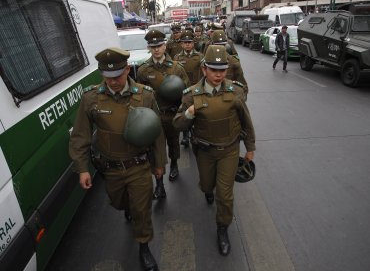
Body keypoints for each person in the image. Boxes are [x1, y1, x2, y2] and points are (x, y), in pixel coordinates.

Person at [69, 47, 167, 271]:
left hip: (139, 165)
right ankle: (127, 208)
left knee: (141, 209)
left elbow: (157, 134)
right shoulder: (91, 98)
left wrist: (159, 164)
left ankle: (144, 246)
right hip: (111, 168)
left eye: (118, 75)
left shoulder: (145, 95)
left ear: (127, 70)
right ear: (102, 74)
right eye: (108, 76)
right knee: (119, 202)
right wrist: (82, 168)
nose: (113, 81)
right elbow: (80, 135)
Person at [173, 45, 256, 256]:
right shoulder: (191, 95)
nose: (219, 74)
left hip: (229, 150)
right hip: (205, 152)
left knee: (225, 195)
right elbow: (177, 125)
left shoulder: (235, 91)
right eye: (213, 70)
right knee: (207, 185)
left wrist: (250, 148)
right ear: (204, 70)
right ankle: (207, 190)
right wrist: (190, 113)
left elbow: (246, 121)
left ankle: (222, 229)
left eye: (222, 70)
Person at [137, 30, 190, 198]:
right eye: (153, 47)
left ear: (165, 45)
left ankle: (174, 164)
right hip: (153, 117)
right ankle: (159, 184)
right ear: (149, 48)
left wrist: (182, 108)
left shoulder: (176, 68)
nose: (156, 50)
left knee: (173, 142)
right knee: (155, 149)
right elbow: (139, 94)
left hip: (171, 114)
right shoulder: (144, 70)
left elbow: (187, 91)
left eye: (159, 46)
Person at [174, 30, 204, 148]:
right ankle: (186, 136)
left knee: (198, 113)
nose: (187, 44)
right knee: (185, 113)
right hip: (183, 90)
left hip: (197, 89)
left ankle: (196, 135)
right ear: (181, 44)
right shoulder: (177, 57)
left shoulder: (200, 56)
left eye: (189, 42)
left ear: (193, 43)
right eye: (185, 42)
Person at [210, 30, 248, 99]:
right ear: (212, 44)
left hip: (229, 98)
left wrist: (240, 100)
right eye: (217, 45)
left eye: (222, 45)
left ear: (226, 45)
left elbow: (242, 85)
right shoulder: (206, 62)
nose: (220, 48)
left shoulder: (234, 62)